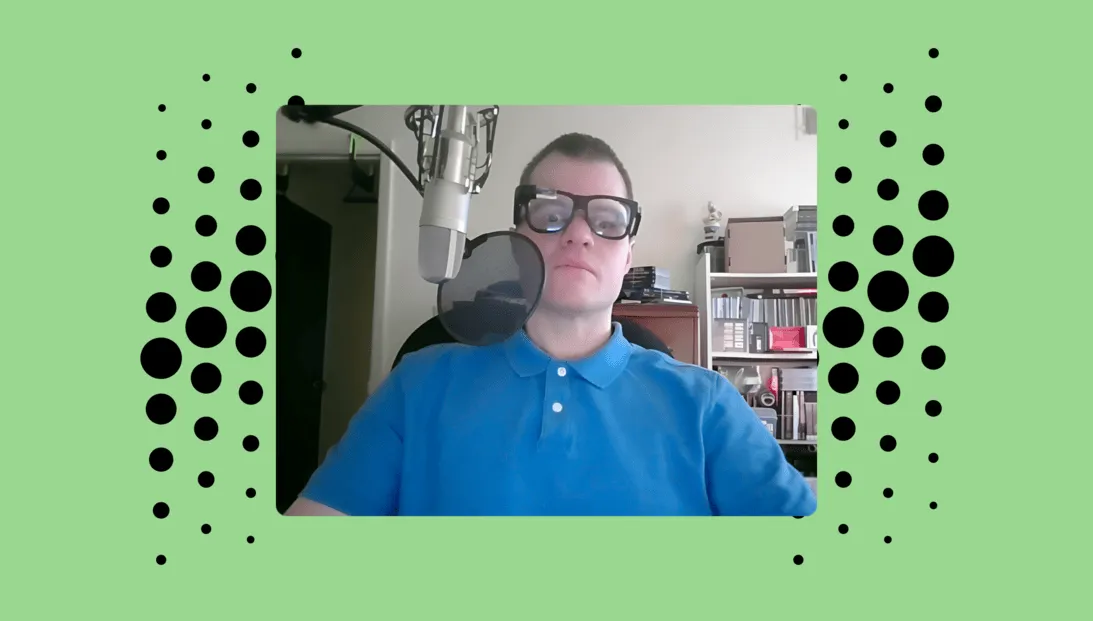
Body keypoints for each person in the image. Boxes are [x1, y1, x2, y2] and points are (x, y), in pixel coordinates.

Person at [286, 133, 817, 516]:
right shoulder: (417, 384)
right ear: (518, 238)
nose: (579, 234)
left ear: (628, 255)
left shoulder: (706, 404)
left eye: (607, 221)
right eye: (551, 212)